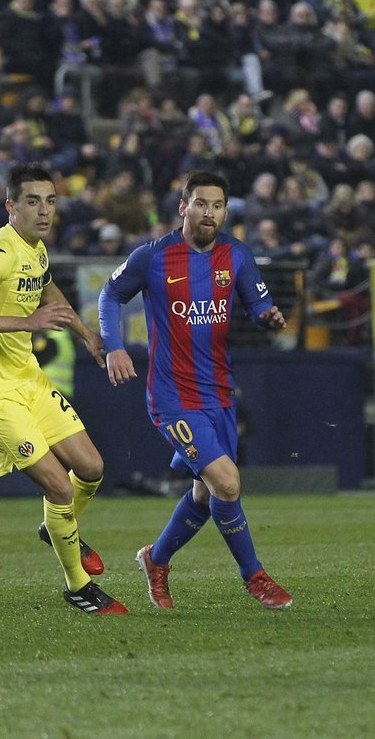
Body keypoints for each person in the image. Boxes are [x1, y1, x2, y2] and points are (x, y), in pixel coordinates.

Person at [100, 170, 293, 610]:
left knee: (206, 494)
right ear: (183, 207)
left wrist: (267, 316)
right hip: (172, 398)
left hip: (219, 394)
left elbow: (258, 301)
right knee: (227, 483)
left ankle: (157, 558)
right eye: (201, 204)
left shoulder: (236, 254)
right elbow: (110, 296)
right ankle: (255, 576)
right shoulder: (153, 257)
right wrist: (114, 347)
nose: (210, 213)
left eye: (218, 206)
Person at [0, 162, 126, 615]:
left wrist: (86, 334)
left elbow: (47, 289)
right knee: (59, 488)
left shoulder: (36, 249)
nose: (44, 211)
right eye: (32, 201)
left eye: (50, 201)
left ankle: (56, 529)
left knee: (92, 466)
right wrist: (26, 323)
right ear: (10, 206)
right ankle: (78, 586)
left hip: (27, 377)